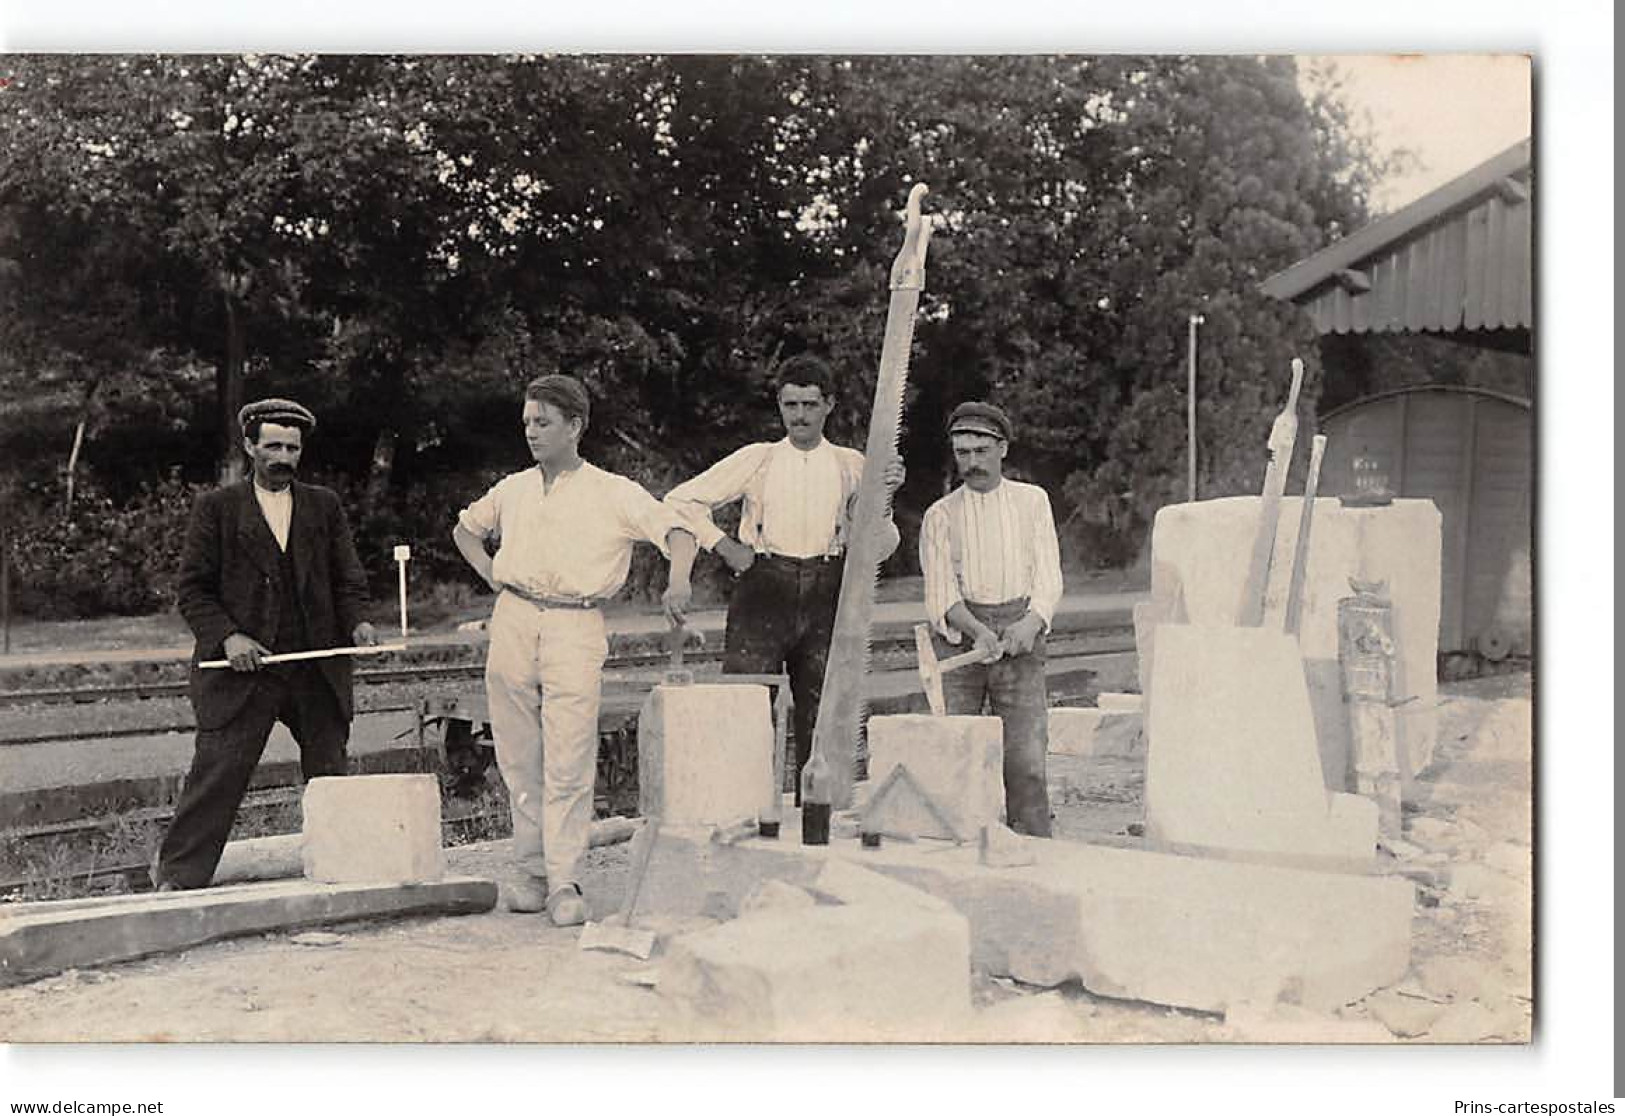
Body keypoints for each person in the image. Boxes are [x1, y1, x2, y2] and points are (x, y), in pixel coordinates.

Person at [453, 373, 696, 926]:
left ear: (575, 426)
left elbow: (677, 529)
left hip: (575, 624)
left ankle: (565, 880)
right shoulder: (513, 488)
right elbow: (465, 530)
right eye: (526, 423)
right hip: (513, 617)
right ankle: (532, 872)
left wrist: (678, 580)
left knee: (568, 753)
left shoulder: (612, 492)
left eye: (543, 422)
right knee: (518, 754)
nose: (531, 432)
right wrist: (492, 574)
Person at [153, 398, 377, 890]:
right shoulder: (216, 509)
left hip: (315, 666)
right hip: (244, 672)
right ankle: (177, 880)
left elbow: (348, 580)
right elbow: (191, 589)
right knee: (219, 772)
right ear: (250, 447)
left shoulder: (325, 506)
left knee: (329, 775)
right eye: (272, 445)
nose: (283, 457)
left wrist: (359, 623)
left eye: (292, 448)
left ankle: (339, 872)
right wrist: (229, 636)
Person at [663, 354, 902, 800]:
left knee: (825, 714)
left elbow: (882, 546)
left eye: (810, 405)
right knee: (746, 705)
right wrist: (726, 547)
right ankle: (742, 811)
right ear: (779, 406)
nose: (800, 416)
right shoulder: (759, 459)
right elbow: (681, 501)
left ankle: (816, 820)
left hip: (828, 589)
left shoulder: (853, 464)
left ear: (828, 405)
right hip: (763, 588)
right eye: (791, 405)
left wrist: (884, 498)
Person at [918, 401, 1063, 837]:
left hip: (1020, 632)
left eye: (981, 451)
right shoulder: (940, 515)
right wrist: (979, 633)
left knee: (1026, 761)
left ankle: (1035, 850)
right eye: (963, 452)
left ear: (1002, 449)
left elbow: (1050, 575)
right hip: (963, 638)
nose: (972, 462)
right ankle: (959, 850)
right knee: (957, 755)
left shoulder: (1032, 502)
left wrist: (1030, 623)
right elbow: (941, 593)